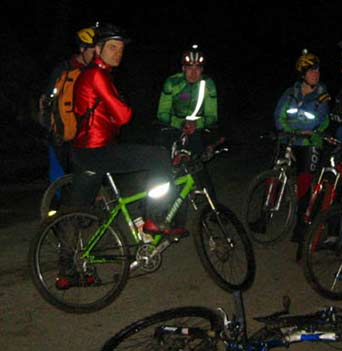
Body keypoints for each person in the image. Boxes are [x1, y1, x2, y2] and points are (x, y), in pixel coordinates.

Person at [57, 23, 173, 289]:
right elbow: (123, 116)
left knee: (73, 213)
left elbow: (107, 115)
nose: (118, 53)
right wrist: (118, 112)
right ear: (97, 49)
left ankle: (66, 273)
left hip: (84, 153)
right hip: (98, 151)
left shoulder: (94, 75)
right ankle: (153, 219)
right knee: (158, 157)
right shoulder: (97, 75)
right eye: (112, 47)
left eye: (121, 48)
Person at [273, 49, 330, 247]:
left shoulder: (322, 95)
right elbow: (279, 116)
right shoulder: (290, 92)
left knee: (306, 180)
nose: (316, 74)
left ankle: (302, 225)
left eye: (317, 71)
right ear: (303, 74)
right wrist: (289, 130)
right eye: (312, 71)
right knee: (275, 171)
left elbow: (318, 122)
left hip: (310, 143)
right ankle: (265, 214)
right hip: (291, 139)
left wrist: (300, 130)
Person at [156, 44, 218, 198]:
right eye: (189, 68)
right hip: (173, 126)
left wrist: (198, 124)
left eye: (197, 68)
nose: (193, 72)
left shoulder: (208, 84)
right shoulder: (172, 82)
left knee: (199, 167)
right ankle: (151, 205)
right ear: (183, 68)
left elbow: (212, 115)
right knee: (161, 166)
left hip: (196, 128)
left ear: (202, 69)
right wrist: (180, 123)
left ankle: (214, 208)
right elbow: (162, 113)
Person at [38, 26, 96, 183]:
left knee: (87, 176)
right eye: (93, 51)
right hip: (60, 135)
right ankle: (56, 207)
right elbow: (47, 101)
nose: (97, 55)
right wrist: (49, 128)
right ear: (82, 49)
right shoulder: (62, 71)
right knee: (59, 178)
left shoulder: (96, 72)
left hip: (87, 136)